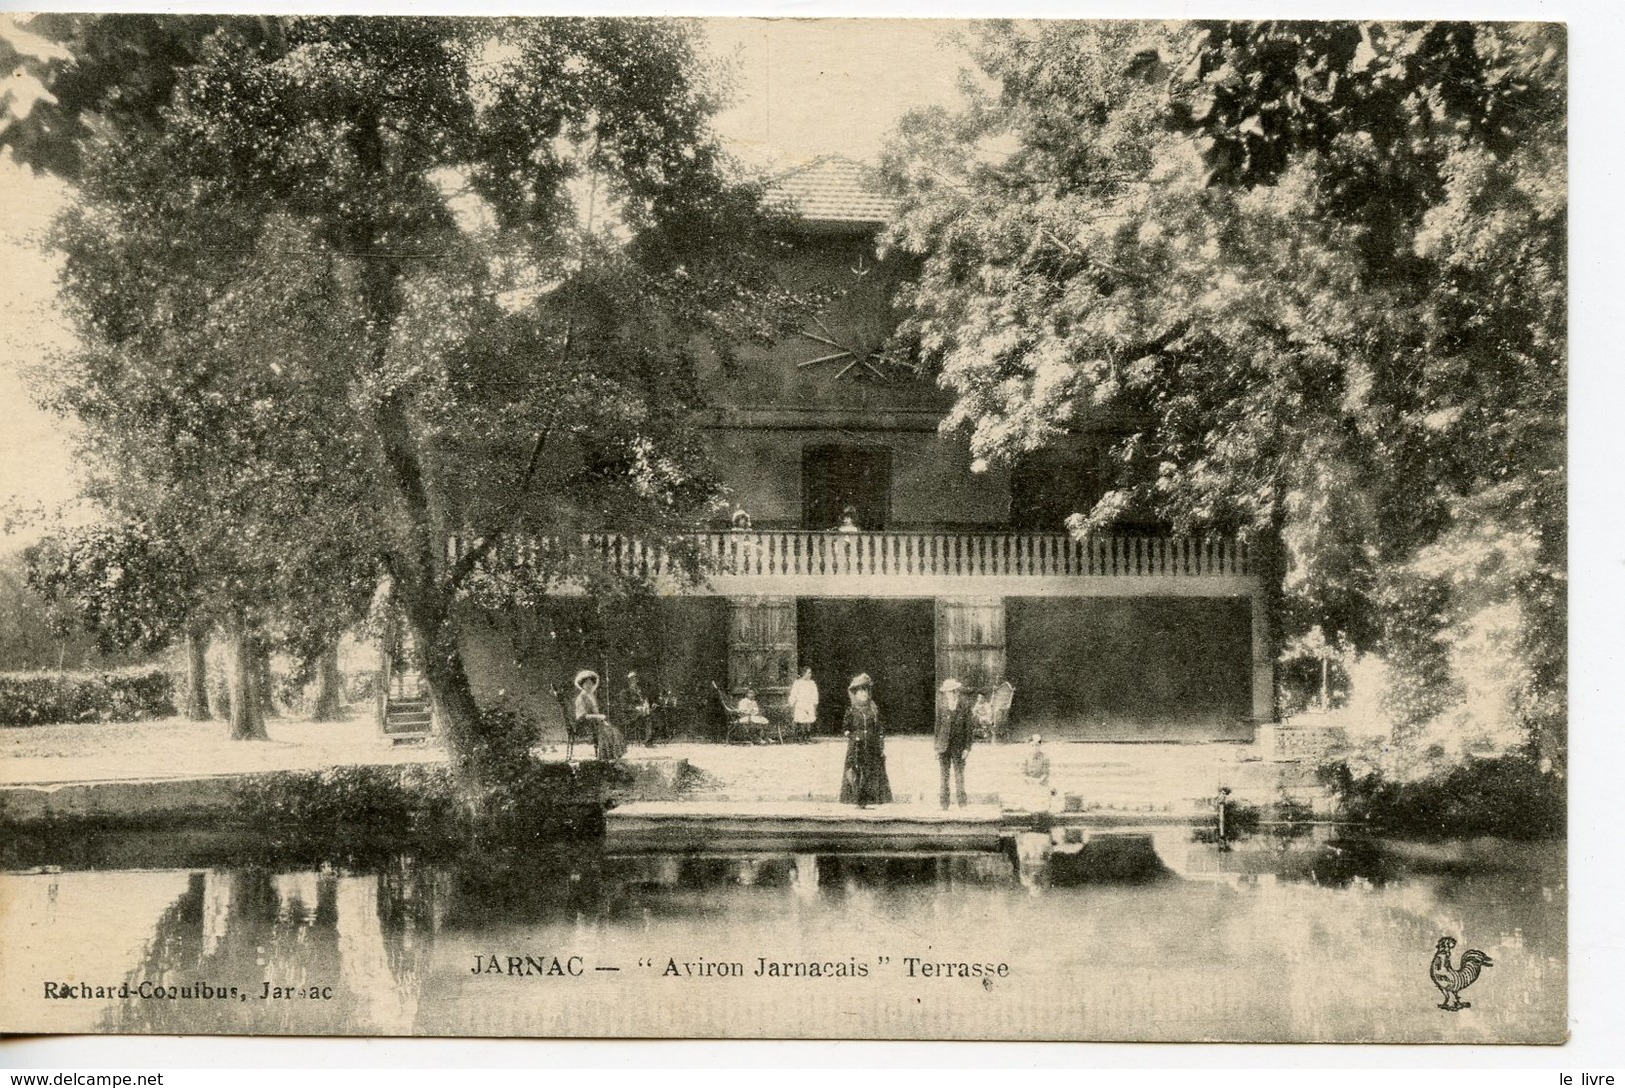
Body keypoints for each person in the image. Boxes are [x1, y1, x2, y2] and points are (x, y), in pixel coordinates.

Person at [838, 673, 891, 807]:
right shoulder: (851, 711)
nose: (864, 694)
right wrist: (853, 737)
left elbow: (880, 727)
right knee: (857, 772)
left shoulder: (873, 710)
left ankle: (872, 799)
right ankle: (858, 800)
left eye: (865, 692)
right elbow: (845, 729)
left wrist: (880, 740)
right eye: (861, 692)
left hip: (872, 745)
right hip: (857, 746)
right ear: (855, 694)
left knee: (871, 771)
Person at [934, 678, 975, 809]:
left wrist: (967, 748)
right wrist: (936, 747)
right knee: (944, 776)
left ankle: (962, 804)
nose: (947, 694)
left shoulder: (965, 706)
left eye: (950, 692)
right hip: (943, 746)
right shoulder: (942, 706)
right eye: (946, 692)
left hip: (959, 747)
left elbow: (969, 729)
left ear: (956, 692)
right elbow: (938, 728)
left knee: (959, 776)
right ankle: (943, 804)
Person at [573, 670, 626, 762]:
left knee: (613, 730)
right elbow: (583, 716)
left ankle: (614, 755)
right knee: (606, 731)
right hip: (585, 723)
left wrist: (600, 718)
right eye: (586, 684)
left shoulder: (591, 696)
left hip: (594, 722)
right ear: (582, 685)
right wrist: (599, 717)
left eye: (591, 683)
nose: (589, 685)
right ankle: (606, 755)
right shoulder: (581, 698)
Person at [621, 670, 654, 747]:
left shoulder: (641, 691)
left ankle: (648, 740)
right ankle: (647, 741)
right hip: (630, 713)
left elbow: (646, 700)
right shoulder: (625, 692)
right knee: (646, 718)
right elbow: (624, 706)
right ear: (629, 681)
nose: (635, 681)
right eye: (632, 679)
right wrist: (636, 708)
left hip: (642, 712)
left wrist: (647, 704)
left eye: (635, 679)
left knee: (650, 715)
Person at [1021, 733, 1054, 812]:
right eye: (1032, 746)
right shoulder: (1026, 757)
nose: (1034, 748)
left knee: (1041, 803)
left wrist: (1038, 781)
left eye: (1037, 745)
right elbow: (1023, 773)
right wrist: (1030, 780)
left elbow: (1045, 773)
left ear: (1040, 746)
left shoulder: (1045, 757)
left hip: (1041, 784)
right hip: (1029, 784)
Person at [787, 666, 819, 738]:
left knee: (809, 721)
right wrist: (792, 703)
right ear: (804, 673)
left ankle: (807, 737)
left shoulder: (812, 683)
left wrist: (815, 703)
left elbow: (815, 694)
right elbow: (794, 693)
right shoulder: (798, 683)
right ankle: (800, 737)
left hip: (809, 703)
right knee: (801, 720)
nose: (810, 674)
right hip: (801, 704)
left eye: (810, 673)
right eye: (808, 673)